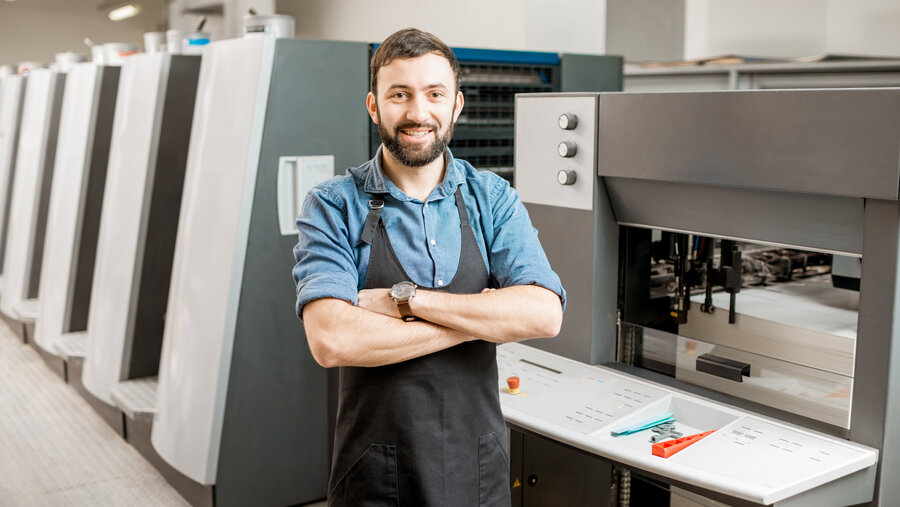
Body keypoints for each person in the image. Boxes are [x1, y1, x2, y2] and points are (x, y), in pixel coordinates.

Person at [292, 27, 565, 507]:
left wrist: (406, 301)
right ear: (374, 105)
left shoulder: (492, 199)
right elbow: (331, 339)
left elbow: (543, 313)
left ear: (456, 105)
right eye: (400, 95)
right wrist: (481, 320)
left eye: (434, 94)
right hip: (373, 476)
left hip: (476, 470)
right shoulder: (333, 204)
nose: (418, 113)